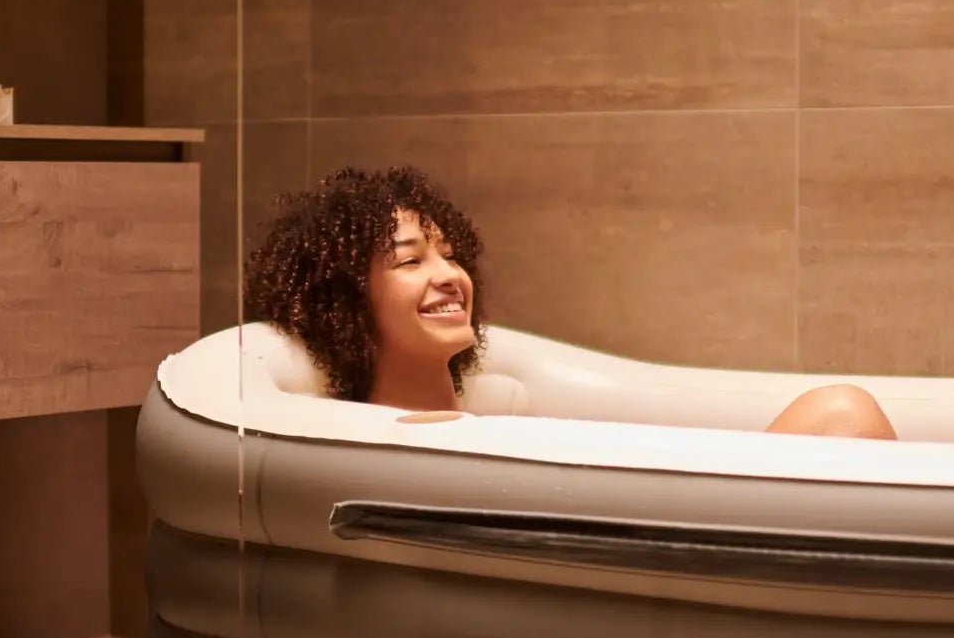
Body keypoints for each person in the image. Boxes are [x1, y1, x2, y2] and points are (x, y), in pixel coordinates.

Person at [242, 166, 898, 441]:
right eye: (411, 260)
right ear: (344, 304)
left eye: (449, 254)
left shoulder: (495, 417)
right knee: (840, 413)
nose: (449, 276)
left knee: (839, 411)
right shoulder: (372, 442)